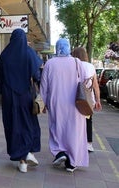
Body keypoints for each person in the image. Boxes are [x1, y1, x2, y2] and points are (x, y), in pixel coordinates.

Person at [40, 38, 89, 172]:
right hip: (75, 103)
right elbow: (85, 82)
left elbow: (44, 86)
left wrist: (43, 103)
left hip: (56, 102)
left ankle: (60, 152)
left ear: (57, 48)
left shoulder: (50, 63)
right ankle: (72, 163)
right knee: (74, 131)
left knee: (57, 127)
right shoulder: (76, 62)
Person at [0, 28, 43, 173]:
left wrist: (2, 96)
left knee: (13, 125)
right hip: (26, 95)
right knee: (28, 123)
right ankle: (27, 153)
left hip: (9, 96)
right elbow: (37, 75)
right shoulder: (29, 53)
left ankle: (22, 159)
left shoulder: (4, 55)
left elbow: (1, 78)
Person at [72, 47, 102, 152]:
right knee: (88, 121)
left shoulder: (73, 65)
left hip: (75, 99)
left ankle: (77, 142)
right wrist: (98, 100)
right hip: (89, 100)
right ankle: (89, 144)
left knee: (75, 122)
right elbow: (95, 86)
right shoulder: (91, 66)